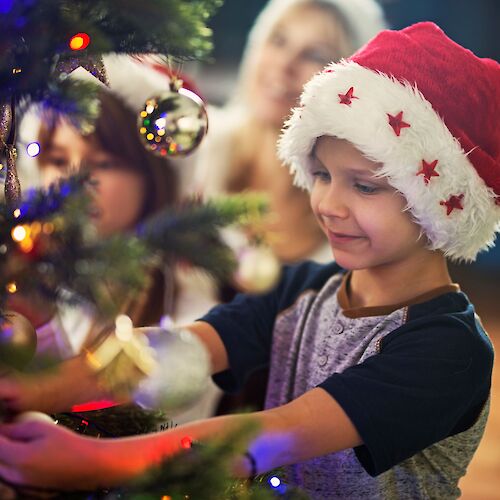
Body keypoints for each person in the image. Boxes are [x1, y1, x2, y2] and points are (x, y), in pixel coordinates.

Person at [0, 22, 498, 499]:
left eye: (364, 185)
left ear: (436, 204)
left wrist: (89, 462)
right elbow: (180, 351)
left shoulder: (449, 350)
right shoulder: (302, 288)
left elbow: (278, 432)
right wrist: (37, 390)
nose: (327, 203)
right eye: (322, 174)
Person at [10, 55, 220, 421]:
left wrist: (44, 331)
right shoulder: (23, 278)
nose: (74, 182)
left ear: (153, 177)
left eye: (102, 164)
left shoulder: (191, 311)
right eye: (58, 160)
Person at [194, 0, 387, 264]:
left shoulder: (361, 217)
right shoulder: (196, 150)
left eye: (315, 55)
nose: (284, 64)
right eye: (278, 40)